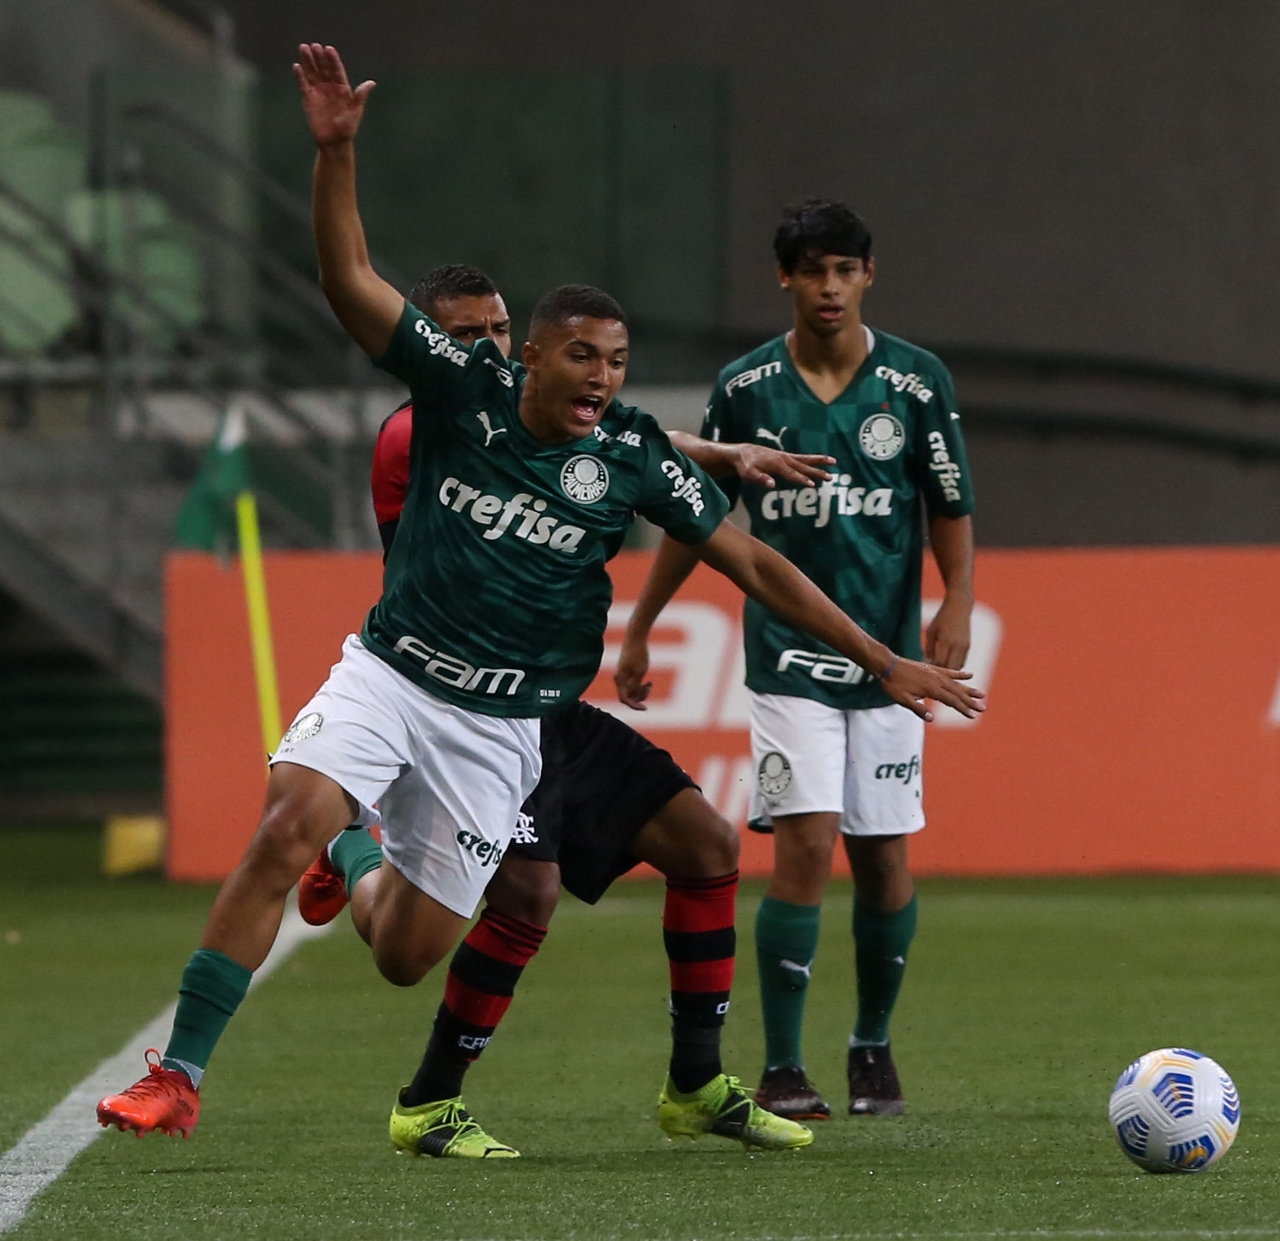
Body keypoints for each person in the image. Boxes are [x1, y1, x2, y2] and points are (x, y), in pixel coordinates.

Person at [96, 48, 981, 1159]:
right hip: (391, 675)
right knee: (282, 823)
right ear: (529, 360)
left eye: (617, 359)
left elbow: (753, 565)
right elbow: (349, 278)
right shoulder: (454, 395)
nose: (603, 375)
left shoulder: (632, 454)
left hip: (502, 725)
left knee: (405, 950)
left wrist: (881, 657)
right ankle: (178, 1074)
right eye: (582, 356)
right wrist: (335, 155)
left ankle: (359, 856)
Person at [300, 262, 841, 1159]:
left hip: (546, 700)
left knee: (706, 844)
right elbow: (554, 428)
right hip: (465, 705)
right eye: (465, 338)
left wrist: (705, 455)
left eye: (498, 333)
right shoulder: (422, 424)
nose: (486, 352)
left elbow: (603, 434)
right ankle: (422, 1077)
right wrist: (697, 451)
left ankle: (696, 1084)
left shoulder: (544, 417)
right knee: (510, 901)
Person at [616, 200, 976, 1121]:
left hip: (891, 661)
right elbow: (692, 513)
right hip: (787, 660)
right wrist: (644, 621)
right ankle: (783, 1065)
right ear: (785, 277)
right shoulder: (746, 389)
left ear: (868, 275)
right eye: (813, 269)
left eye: (845, 269)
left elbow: (948, 503)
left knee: (884, 857)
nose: (829, 287)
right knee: (807, 845)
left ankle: (872, 1046)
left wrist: (957, 600)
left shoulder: (916, 381)